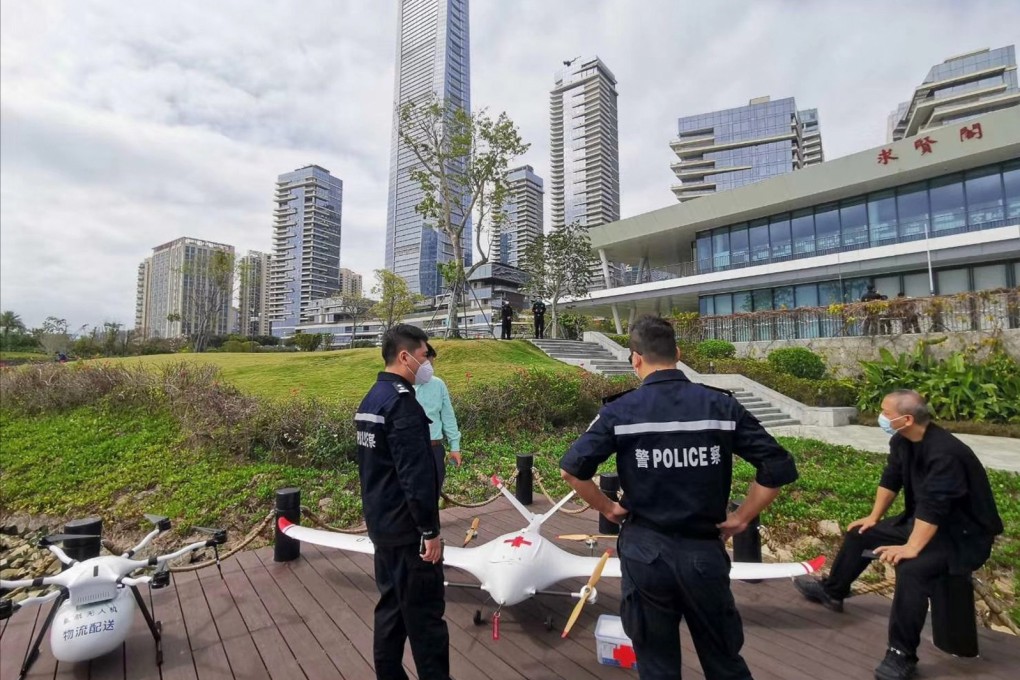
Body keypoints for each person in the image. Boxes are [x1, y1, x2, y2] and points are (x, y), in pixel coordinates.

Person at [559, 314, 799, 680]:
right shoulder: (720, 406)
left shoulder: (620, 411)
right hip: (704, 554)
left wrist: (609, 507)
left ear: (635, 358)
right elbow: (777, 466)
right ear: (678, 352)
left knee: (657, 666)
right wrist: (742, 518)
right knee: (724, 663)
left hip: (646, 555)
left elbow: (571, 470)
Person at [793, 390, 1002, 680]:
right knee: (861, 533)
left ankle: (901, 655)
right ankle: (833, 591)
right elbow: (891, 479)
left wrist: (912, 547)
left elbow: (936, 505)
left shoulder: (945, 453)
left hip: (962, 538)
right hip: (922, 522)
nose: (881, 417)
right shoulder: (902, 440)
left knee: (912, 568)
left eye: (885, 413)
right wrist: (874, 518)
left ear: (906, 419)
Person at [355, 323, 450, 680]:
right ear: (405, 356)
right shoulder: (402, 404)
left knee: (391, 611)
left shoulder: (371, 399)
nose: (427, 364)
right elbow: (416, 477)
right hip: (409, 532)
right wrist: (430, 531)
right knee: (425, 618)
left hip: (383, 526)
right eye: (424, 355)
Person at [414, 342, 462, 489]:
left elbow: (448, 417)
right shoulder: (401, 386)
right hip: (411, 450)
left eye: (432, 363)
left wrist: (455, 447)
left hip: (434, 448)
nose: (429, 367)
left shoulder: (438, 384)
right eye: (426, 362)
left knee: (434, 493)